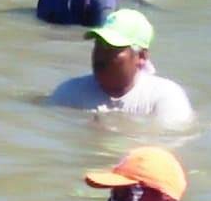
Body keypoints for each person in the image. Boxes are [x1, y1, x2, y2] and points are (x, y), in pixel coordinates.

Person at [50, 9, 193, 125]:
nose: (101, 54)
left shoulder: (165, 97)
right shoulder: (69, 93)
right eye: (99, 44)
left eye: (112, 48)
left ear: (141, 57)